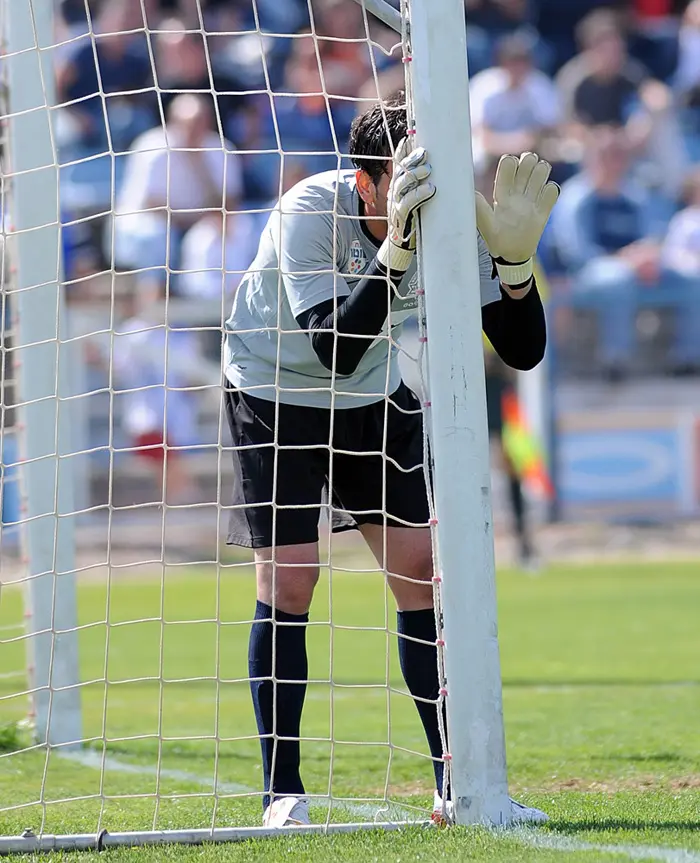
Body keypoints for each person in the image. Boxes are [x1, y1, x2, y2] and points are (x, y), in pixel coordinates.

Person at [223, 97, 559, 828]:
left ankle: (455, 781)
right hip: (273, 390)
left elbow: (523, 348)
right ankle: (282, 790)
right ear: (365, 180)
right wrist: (396, 251)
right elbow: (332, 349)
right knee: (290, 578)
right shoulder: (308, 210)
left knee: (419, 568)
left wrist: (514, 262)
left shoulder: (444, 210)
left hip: (373, 393)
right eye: (399, 176)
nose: (419, 189)